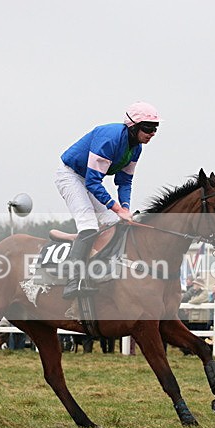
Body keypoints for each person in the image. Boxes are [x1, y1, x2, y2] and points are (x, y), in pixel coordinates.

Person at [55, 102, 160, 299]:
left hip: (88, 179)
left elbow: (125, 181)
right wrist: (117, 208)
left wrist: (125, 209)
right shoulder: (110, 139)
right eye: (147, 128)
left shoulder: (136, 148)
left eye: (155, 128)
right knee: (89, 226)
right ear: (133, 126)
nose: (152, 133)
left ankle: (103, 271)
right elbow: (94, 183)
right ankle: (72, 280)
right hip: (70, 176)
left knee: (114, 224)